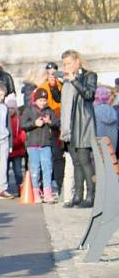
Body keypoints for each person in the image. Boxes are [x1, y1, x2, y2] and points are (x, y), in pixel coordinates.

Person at [59, 49, 97, 208]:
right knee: (75, 162)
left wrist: (74, 80)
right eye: (64, 64)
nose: (66, 67)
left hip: (83, 124)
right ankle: (78, 195)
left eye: (68, 63)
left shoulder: (89, 75)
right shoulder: (67, 81)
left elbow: (89, 95)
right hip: (70, 126)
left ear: (77, 62)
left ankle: (91, 196)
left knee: (84, 160)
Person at [21, 88, 60, 203]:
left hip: (46, 143)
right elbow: (23, 124)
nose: (42, 103)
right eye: (40, 100)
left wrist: (50, 122)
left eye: (44, 100)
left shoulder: (50, 110)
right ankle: (36, 192)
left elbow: (57, 124)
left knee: (47, 167)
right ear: (35, 100)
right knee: (35, 168)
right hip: (32, 144)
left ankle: (48, 192)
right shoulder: (29, 110)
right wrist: (34, 123)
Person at [37, 62, 65, 193]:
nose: (52, 75)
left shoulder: (62, 85)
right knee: (46, 156)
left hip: (59, 122)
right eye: (49, 73)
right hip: (47, 123)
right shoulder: (42, 87)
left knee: (58, 156)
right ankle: (43, 185)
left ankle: (60, 184)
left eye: (54, 72)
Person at [5, 93, 25, 195]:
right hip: (6, 149)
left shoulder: (19, 119)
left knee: (18, 171)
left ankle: (20, 187)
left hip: (17, 149)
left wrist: (14, 142)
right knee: (5, 171)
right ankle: (5, 188)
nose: (10, 110)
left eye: (12, 108)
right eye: (8, 108)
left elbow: (22, 134)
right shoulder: (4, 119)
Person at [94, 86, 118, 152]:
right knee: (110, 161)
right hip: (112, 144)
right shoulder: (112, 110)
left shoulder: (94, 110)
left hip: (99, 143)